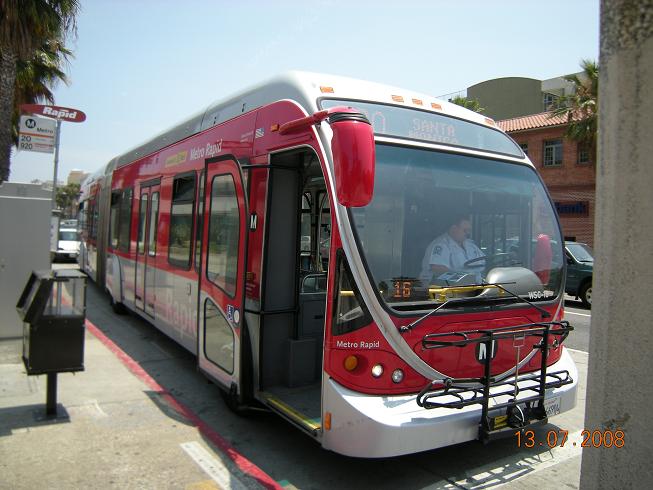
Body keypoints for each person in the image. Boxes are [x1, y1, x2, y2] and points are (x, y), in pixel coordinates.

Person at [419, 214, 485, 285]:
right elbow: (437, 269)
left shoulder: (470, 245)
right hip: (444, 288)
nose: (468, 233)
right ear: (454, 229)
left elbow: (484, 261)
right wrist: (464, 279)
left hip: (476, 287)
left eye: (469, 230)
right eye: (465, 230)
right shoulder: (441, 244)